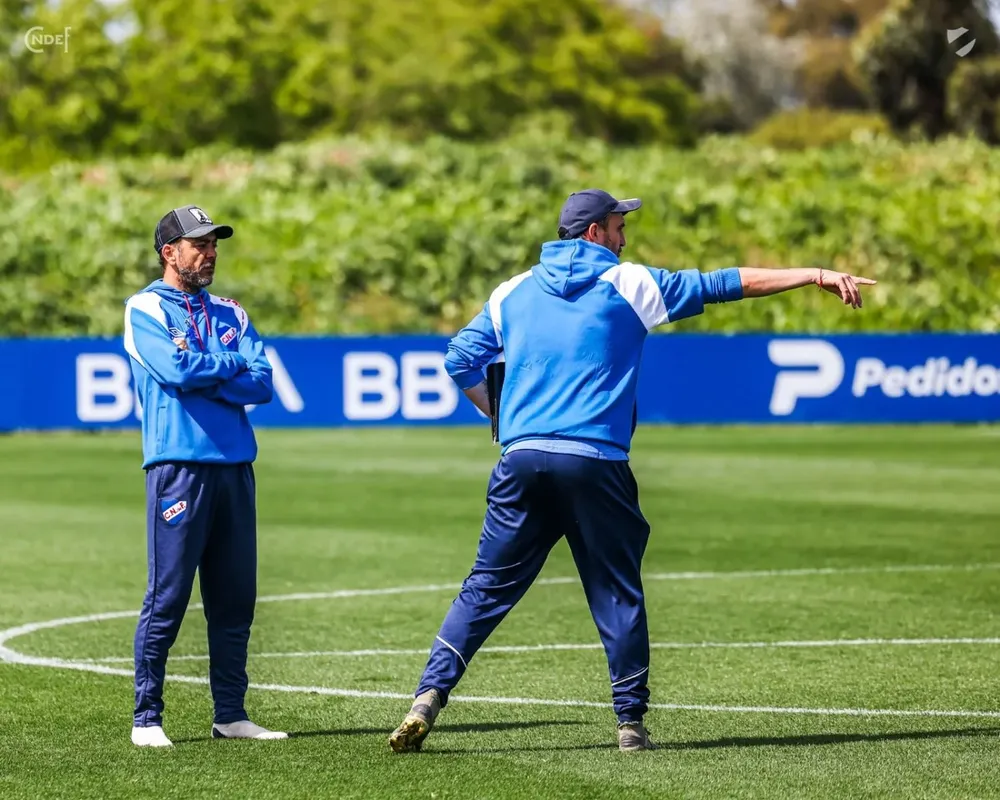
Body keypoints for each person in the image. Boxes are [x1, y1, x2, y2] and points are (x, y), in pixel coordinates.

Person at [388, 189, 876, 753]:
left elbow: (458, 359)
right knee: (616, 591)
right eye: (619, 227)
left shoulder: (511, 291)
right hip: (594, 461)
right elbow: (727, 283)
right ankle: (629, 724)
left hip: (520, 460)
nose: (624, 238)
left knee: (485, 588)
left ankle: (427, 697)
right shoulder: (629, 283)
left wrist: (497, 414)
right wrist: (812, 274)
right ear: (594, 232)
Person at [123, 204, 286, 747]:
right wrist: (229, 363)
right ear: (170, 252)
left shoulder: (231, 312)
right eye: (200, 244)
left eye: (214, 243)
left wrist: (207, 370)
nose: (210, 252)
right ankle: (147, 718)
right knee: (168, 598)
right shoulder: (145, 307)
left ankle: (230, 715)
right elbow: (173, 370)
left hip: (235, 469)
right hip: (178, 470)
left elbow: (262, 383)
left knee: (235, 600)